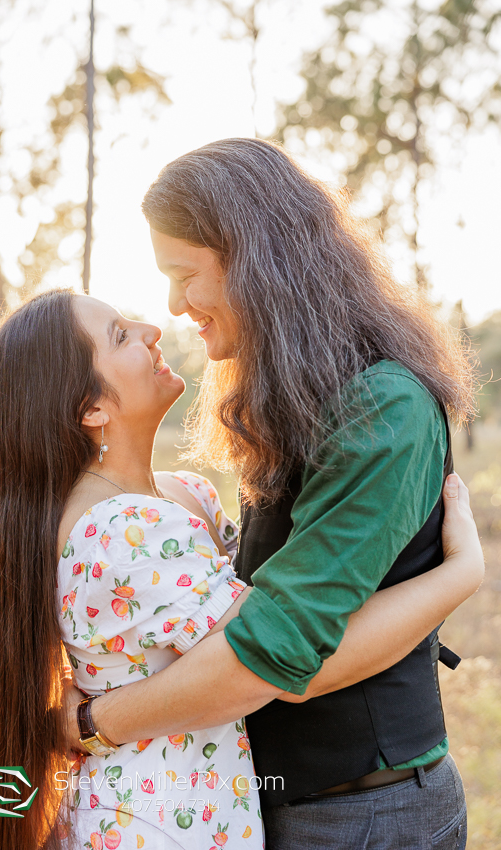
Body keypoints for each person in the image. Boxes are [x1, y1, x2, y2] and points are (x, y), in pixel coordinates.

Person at [61, 139, 483, 849]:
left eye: (183, 274)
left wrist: (95, 724)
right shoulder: (296, 398)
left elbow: (283, 660)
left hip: (362, 816)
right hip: (285, 805)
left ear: (253, 260)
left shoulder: (381, 406)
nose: (172, 305)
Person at [0, 287, 480, 850]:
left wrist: (90, 719)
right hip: (159, 824)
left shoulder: (178, 497)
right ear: (92, 408)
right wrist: (456, 576)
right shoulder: (124, 530)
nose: (152, 329)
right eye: (120, 335)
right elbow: (284, 655)